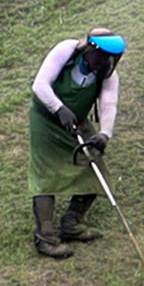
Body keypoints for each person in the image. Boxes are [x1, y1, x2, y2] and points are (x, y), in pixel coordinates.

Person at [27, 30, 127, 257]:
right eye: (101, 57)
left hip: (77, 123)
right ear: (90, 51)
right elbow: (40, 85)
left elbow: (109, 104)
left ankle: (71, 223)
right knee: (45, 175)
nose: (105, 63)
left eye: (111, 59)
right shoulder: (66, 51)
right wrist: (59, 109)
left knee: (94, 168)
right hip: (46, 121)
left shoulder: (108, 75)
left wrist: (104, 135)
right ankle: (45, 238)